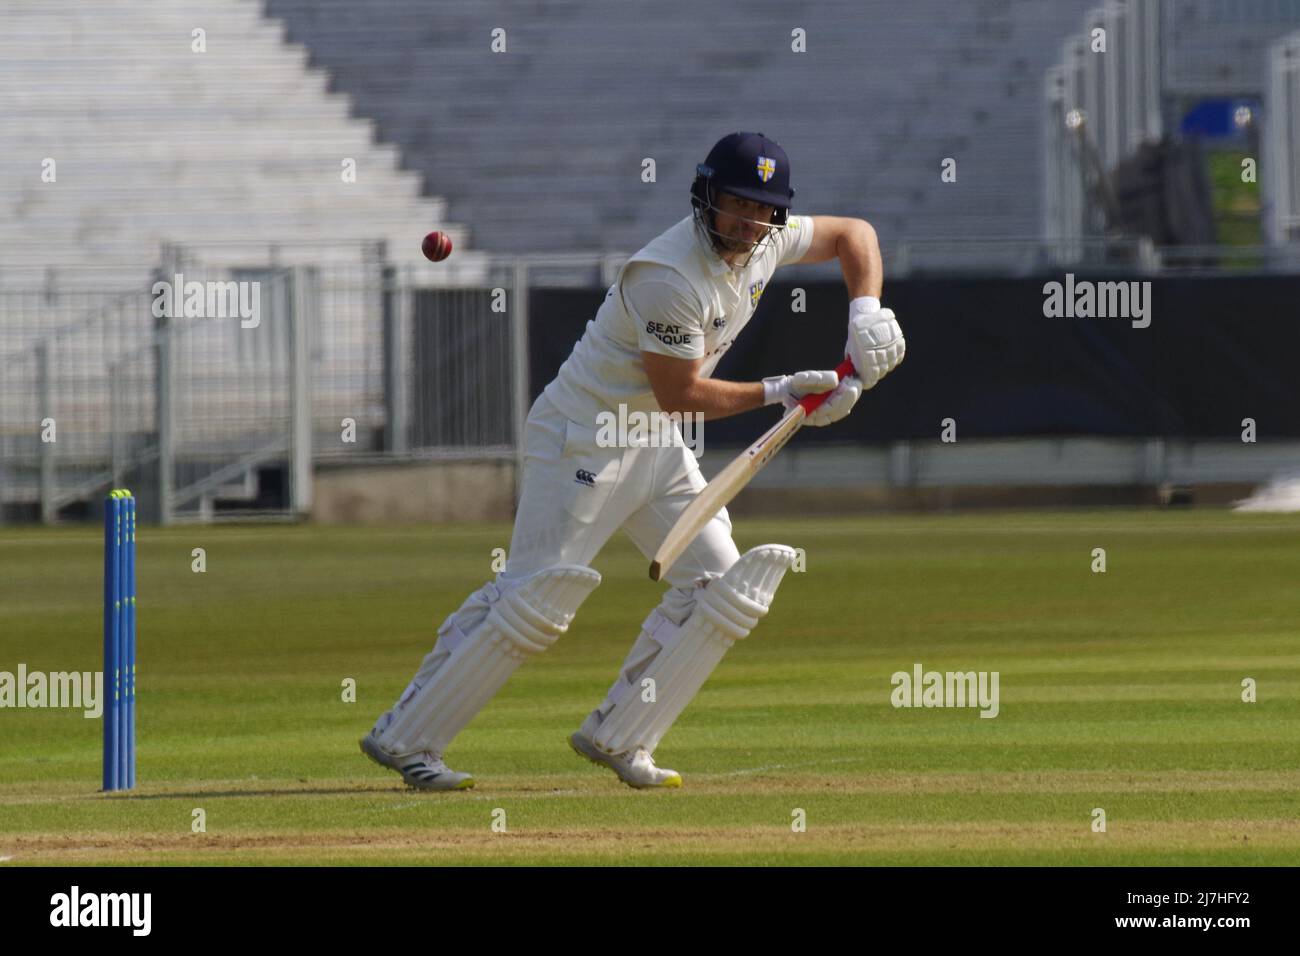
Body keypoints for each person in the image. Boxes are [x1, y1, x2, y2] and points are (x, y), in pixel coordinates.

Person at [361, 131, 905, 790]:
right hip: (583, 436)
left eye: (761, 210)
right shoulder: (669, 274)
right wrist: (783, 392)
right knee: (535, 601)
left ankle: (621, 735)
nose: (745, 221)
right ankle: (406, 736)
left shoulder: (766, 240)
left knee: (720, 587)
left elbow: (857, 236)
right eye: (733, 204)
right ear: (705, 196)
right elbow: (681, 394)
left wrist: (866, 311)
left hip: (653, 443)